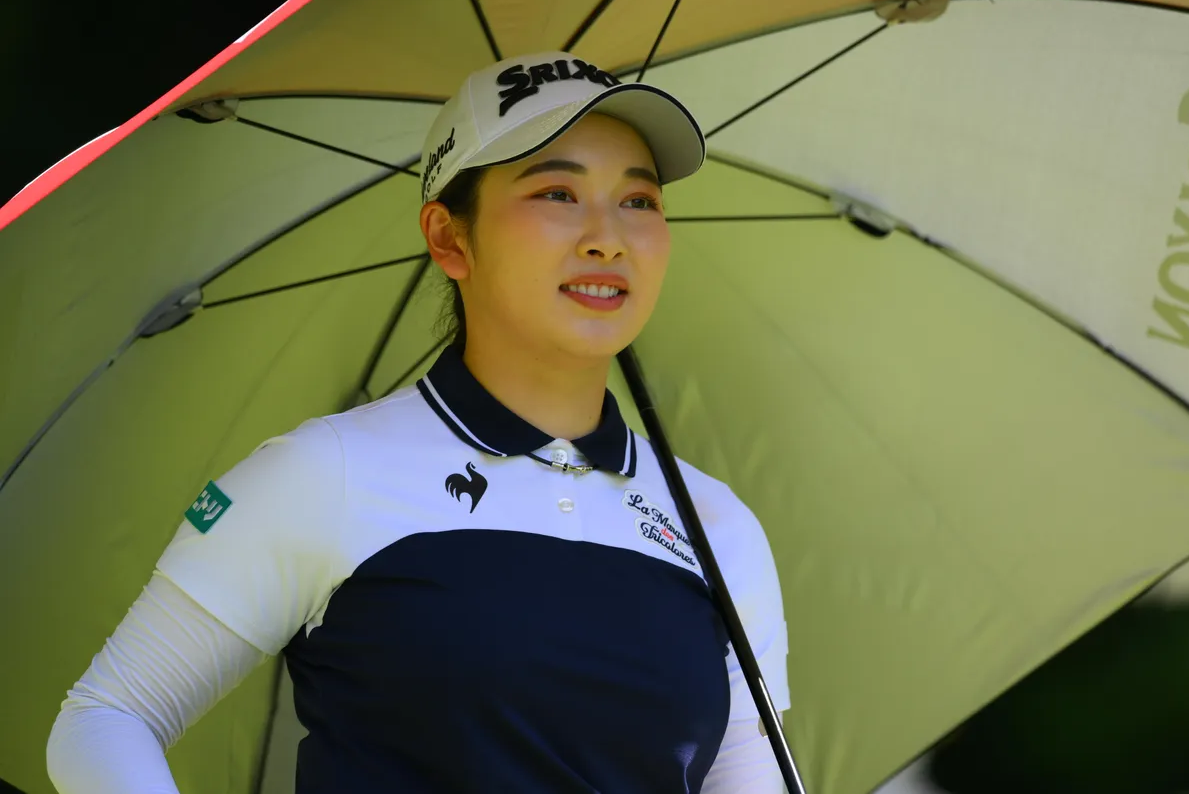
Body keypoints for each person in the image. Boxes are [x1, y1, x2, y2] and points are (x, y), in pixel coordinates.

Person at [46, 51, 791, 793]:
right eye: (558, 192)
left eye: (639, 200)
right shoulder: (326, 471)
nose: (609, 237)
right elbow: (107, 717)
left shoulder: (717, 524)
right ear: (449, 239)